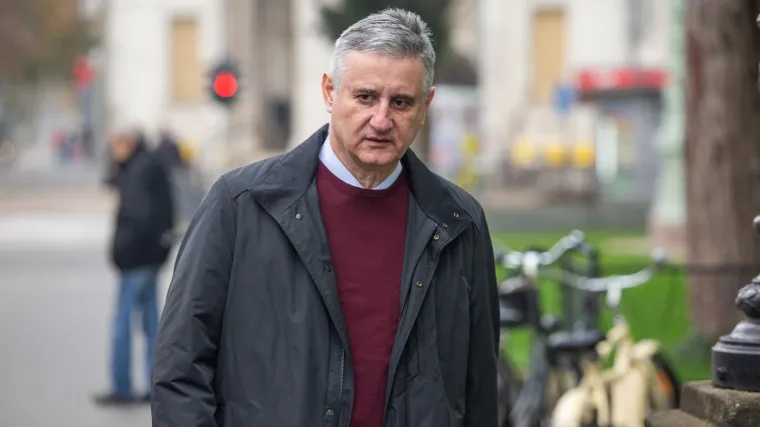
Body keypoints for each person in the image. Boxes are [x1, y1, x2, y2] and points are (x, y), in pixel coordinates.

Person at [152, 8, 499, 427]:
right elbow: (180, 369)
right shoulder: (240, 205)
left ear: (425, 106)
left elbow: (479, 390)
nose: (381, 120)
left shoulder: (459, 222)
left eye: (401, 102)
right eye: (365, 97)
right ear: (330, 92)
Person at [95, 129, 175, 405]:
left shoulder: (139, 171)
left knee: (123, 322)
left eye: (116, 145)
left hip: (136, 259)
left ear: (129, 144)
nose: (113, 151)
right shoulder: (148, 165)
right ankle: (156, 387)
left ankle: (122, 386)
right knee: (152, 323)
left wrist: (120, 253)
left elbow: (136, 216)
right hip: (151, 256)